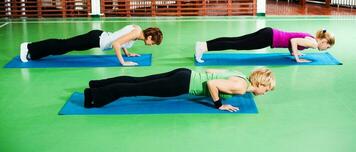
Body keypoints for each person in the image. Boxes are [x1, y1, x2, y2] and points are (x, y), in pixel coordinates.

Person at [83, 67, 275, 112]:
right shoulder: (241, 87)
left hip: (184, 73)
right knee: (136, 89)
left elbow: (210, 72)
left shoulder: (240, 75)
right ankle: (94, 96)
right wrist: (219, 105)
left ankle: (97, 84)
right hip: (182, 84)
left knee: (138, 80)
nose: (265, 93)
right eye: (267, 89)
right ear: (259, 84)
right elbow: (212, 84)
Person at [20, 25, 163, 66]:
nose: (152, 45)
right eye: (153, 43)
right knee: (63, 45)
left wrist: (128, 53)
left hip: (96, 38)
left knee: (63, 48)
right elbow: (116, 43)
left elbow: (122, 39)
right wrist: (123, 62)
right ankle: (29, 47)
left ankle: (34, 53)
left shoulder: (138, 31)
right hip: (95, 39)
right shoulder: (136, 33)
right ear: (149, 37)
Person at [195, 27, 335, 63]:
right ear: (323, 41)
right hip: (269, 37)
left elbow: (293, 39)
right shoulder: (312, 43)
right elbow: (294, 41)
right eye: (327, 47)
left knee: (235, 40)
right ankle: (203, 47)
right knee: (236, 44)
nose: (325, 49)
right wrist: (297, 58)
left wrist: (293, 52)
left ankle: (204, 45)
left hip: (269, 33)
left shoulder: (310, 38)